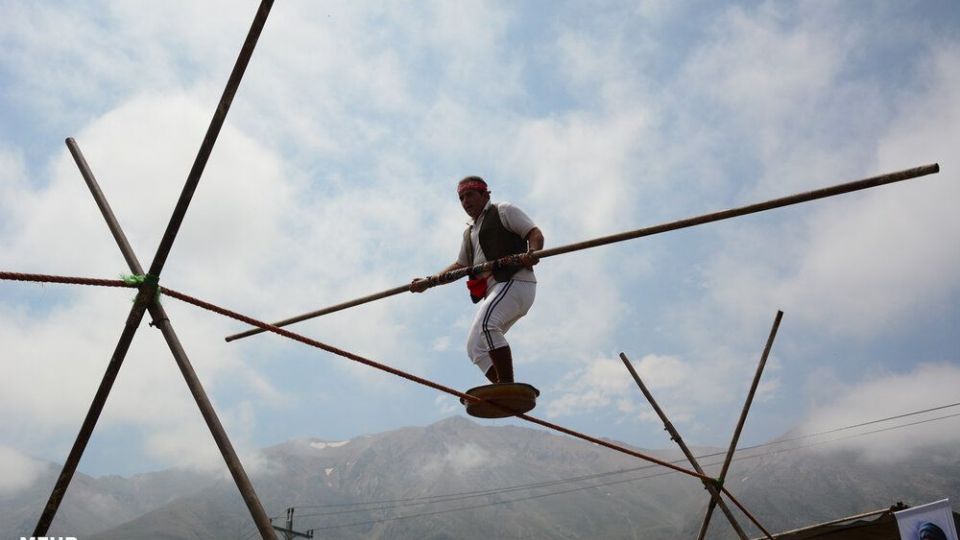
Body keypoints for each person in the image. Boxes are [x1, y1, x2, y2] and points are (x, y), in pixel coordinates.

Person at [411, 176, 544, 384]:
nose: (465, 202)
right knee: (475, 347)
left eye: (470, 195)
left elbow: (534, 233)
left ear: (485, 194)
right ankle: (503, 391)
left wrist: (533, 253)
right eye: (461, 198)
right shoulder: (469, 233)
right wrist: (429, 282)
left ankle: (507, 389)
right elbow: (460, 266)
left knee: (487, 325)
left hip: (516, 281)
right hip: (496, 290)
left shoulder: (503, 211)